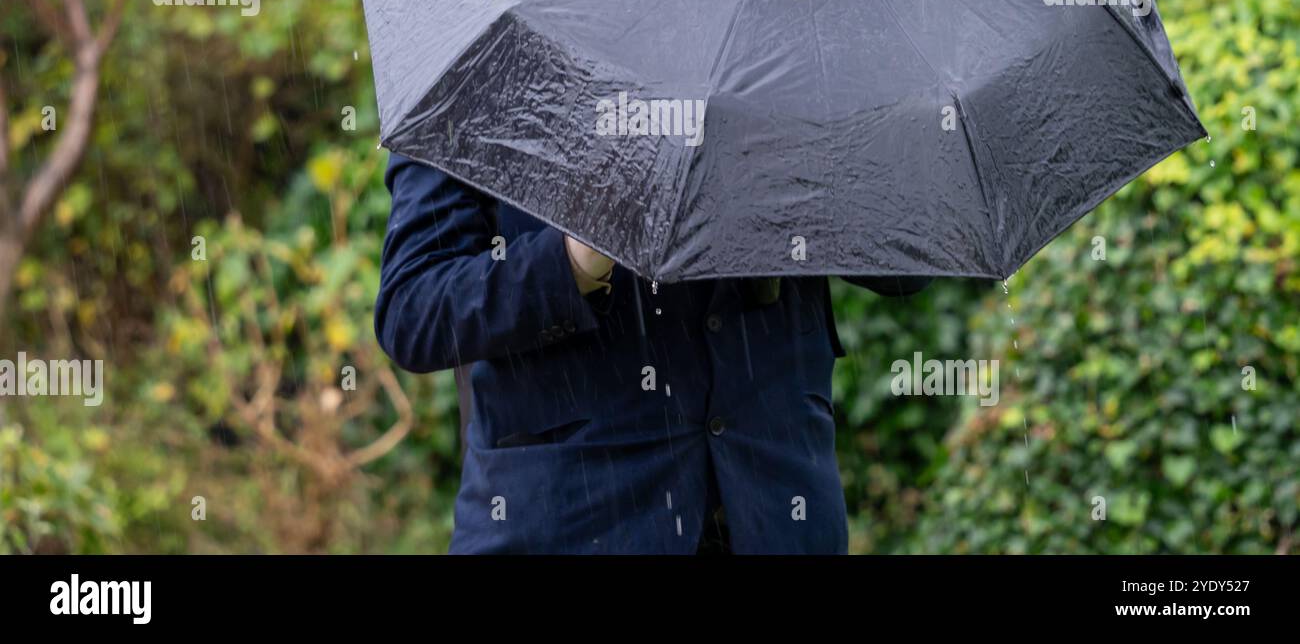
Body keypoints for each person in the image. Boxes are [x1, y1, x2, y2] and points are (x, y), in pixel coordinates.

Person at [375, 152, 930, 554]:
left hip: (780, 513)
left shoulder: (795, 31)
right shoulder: (487, 49)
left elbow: (910, 258)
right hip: (569, 525)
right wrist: (574, 260)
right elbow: (414, 309)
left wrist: (798, 176)